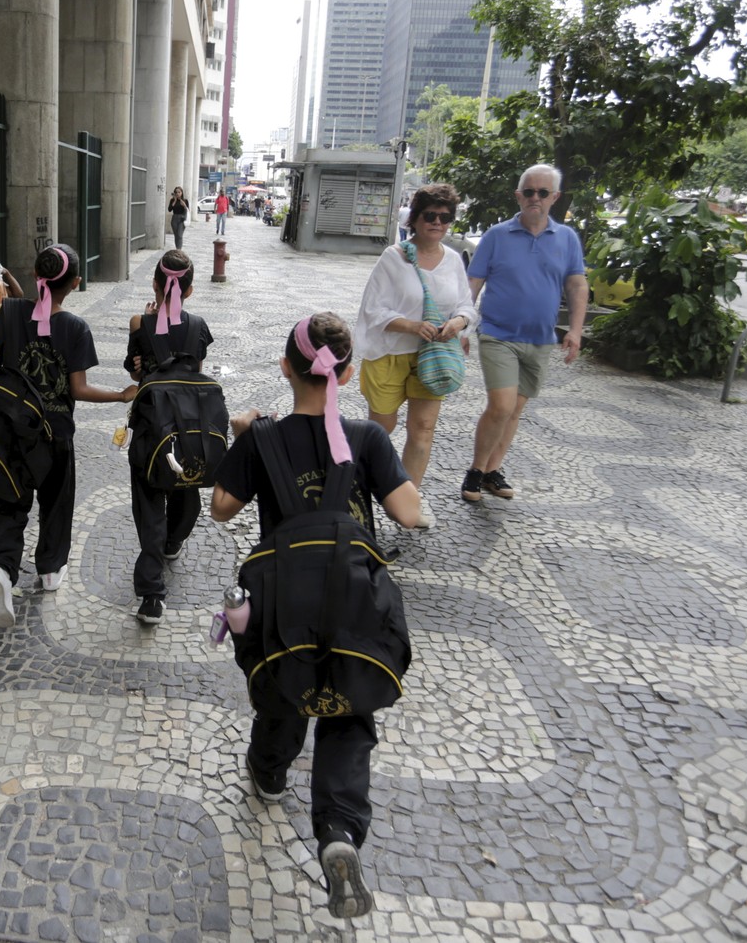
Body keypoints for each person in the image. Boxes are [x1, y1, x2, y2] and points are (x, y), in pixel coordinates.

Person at [210, 312, 421, 920]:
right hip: (353, 596)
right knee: (350, 711)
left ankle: (270, 774)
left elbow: (223, 508)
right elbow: (410, 514)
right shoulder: (369, 439)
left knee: (283, 690)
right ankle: (339, 833)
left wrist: (248, 432)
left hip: (282, 604)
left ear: (285, 368)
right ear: (348, 374)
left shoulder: (263, 437)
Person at [0, 244, 138, 627]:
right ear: (76, 283)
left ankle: (0, 569)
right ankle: (49, 571)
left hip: (11, 433)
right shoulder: (76, 329)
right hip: (55, 434)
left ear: (36, 275)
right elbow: (79, 389)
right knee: (56, 503)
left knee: (11, 506)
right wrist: (120, 394)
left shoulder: (11, 311)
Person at [461, 163, 587, 503]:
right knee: (501, 406)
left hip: (540, 339)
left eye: (543, 193)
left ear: (555, 198)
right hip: (498, 334)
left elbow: (576, 285)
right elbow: (473, 283)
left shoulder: (567, 239)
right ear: (518, 195)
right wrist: (463, 323)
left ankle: (492, 471)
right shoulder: (497, 236)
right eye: (529, 191)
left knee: (515, 410)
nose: (535, 198)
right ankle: (475, 470)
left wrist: (575, 330)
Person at [354, 184, 477, 528]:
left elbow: (467, 304)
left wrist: (459, 321)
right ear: (416, 218)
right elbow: (372, 309)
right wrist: (410, 325)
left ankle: (408, 503)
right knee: (382, 429)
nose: (437, 222)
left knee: (423, 428)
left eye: (445, 217)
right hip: (390, 353)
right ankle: (360, 492)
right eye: (430, 215)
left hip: (433, 357)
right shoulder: (394, 257)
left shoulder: (453, 260)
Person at [123, 250, 213, 625]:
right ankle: (174, 541)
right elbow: (195, 377)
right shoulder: (198, 327)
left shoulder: (138, 324)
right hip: (188, 430)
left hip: (149, 430)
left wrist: (145, 359)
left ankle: (151, 596)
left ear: (156, 285)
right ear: (189, 291)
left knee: (149, 507)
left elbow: (134, 375)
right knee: (186, 494)